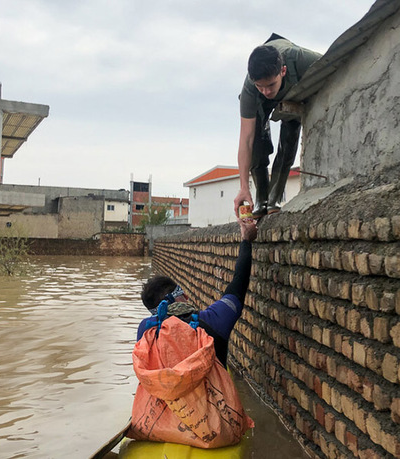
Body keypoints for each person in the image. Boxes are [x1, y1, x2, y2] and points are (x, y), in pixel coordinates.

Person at [137, 217, 257, 368]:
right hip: (211, 391)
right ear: (179, 298)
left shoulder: (145, 330)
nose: (187, 296)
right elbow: (238, 285)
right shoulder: (211, 322)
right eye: (182, 293)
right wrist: (246, 240)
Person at [234, 34, 322, 218]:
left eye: (270, 85)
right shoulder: (250, 90)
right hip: (259, 106)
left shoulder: (301, 59)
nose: (266, 91)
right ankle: (261, 198)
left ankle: (274, 197)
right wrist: (243, 186)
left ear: (282, 71)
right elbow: (246, 140)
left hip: (294, 91)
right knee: (258, 143)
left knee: (289, 137)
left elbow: (334, 65)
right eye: (260, 86)